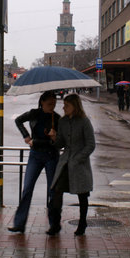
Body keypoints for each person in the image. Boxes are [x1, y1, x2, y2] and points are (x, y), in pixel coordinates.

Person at [7, 91, 61, 234]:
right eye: (50, 103)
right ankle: (19, 223)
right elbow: (18, 120)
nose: (52, 106)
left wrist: (54, 138)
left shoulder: (57, 118)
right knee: (27, 188)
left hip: (51, 156)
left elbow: (58, 143)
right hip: (35, 156)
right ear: (42, 102)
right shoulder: (33, 113)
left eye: (54, 103)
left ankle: (54, 224)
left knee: (52, 191)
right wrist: (26, 136)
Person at [46, 94, 95, 237]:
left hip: (79, 165)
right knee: (56, 192)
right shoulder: (63, 121)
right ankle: (55, 224)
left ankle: (82, 223)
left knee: (82, 195)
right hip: (65, 162)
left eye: (67, 105)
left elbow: (91, 144)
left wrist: (78, 158)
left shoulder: (85, 122)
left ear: (75, 106)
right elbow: (61, 143)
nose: (63, 107)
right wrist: (55, 138)